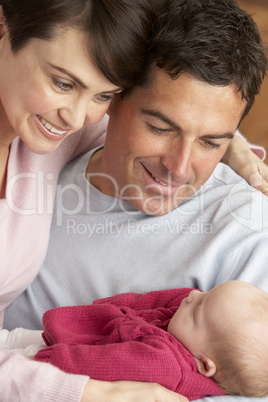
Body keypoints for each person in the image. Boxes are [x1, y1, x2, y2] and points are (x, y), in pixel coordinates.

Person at [2, 0, 268, 401]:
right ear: (117, 99)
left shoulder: (249, 237)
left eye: (211, 142)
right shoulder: (53, 140)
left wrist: (237, 152)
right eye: (160, 127)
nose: (180, 167)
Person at [0, 1, 189, 401]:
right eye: (63, 83)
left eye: (103, 94)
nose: (77, 116)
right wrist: (91, 393)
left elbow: (151, 122)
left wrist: (233, 148)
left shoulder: (46, 133)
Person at [2, 281, 268, 400]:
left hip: (52, 362)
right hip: (64, 341)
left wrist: (42, 360)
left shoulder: (163, 365)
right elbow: (153, 301)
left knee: (12, 348)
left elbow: (98, 364)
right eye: (208, 292)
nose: (193, 294)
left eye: (198, 309)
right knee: (10, 338)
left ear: (205, 364)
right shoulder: (189, 334)